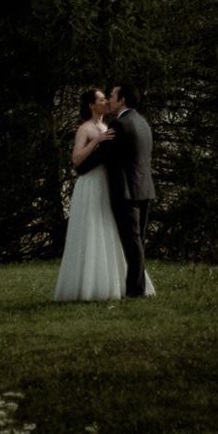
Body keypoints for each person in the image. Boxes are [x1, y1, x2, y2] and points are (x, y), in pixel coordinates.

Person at [52, 88, 129, 302]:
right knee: (91, 229)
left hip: (105, 183)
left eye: (106, 98)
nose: (106, 102)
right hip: (90, 184)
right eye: (101, 99)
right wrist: (97, 141)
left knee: (106, 227)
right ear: (91, 105)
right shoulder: (85, 129)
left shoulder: (105, 126)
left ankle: (110, 281)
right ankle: (86, 286)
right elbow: (76, 160)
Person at [102, 82, 156, 298]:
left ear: (123, 99)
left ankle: (135, 290)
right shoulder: (143, 123)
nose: (109, 99)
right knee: (138, 240)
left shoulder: (120, 124)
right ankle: (137, 287)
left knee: (132, 242)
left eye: (113, 96)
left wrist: (80, 162)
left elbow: (103, 154)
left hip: (126, 191)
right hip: (144, 188)